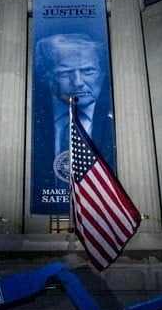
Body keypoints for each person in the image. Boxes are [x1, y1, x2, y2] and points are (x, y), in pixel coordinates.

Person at [31, 34, 115, 205]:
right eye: (64, 73)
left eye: (88, 71)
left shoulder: (116, 122)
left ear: (102, 73)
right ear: (47, 77)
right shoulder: (32, 123)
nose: (77, 82)